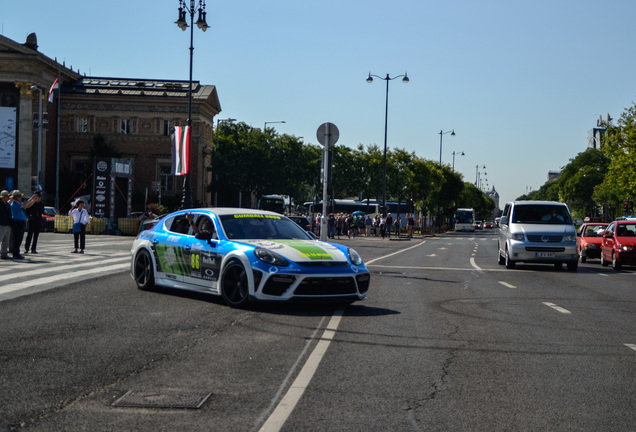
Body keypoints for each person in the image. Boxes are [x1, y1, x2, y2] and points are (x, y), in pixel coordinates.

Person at [9, 190, 36, 259]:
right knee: (17, 238)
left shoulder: (18, 203)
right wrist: (32, 198)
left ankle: (16, 252)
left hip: (20, 222)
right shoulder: (15, 204)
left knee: (19, 238)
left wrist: (33, 200)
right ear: (16, 197)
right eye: (20, 196)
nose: (21, 198)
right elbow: (25, 205)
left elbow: (27, 206)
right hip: (17, 222)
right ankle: (15, 253)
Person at [0, 190, 12, 259]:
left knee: (6, 241)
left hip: (7, 224)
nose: (8, 198)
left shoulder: (7, 204)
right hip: (1, 224)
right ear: (3, 197)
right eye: (7, 197)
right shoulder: (0, 204)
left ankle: (4, 253)